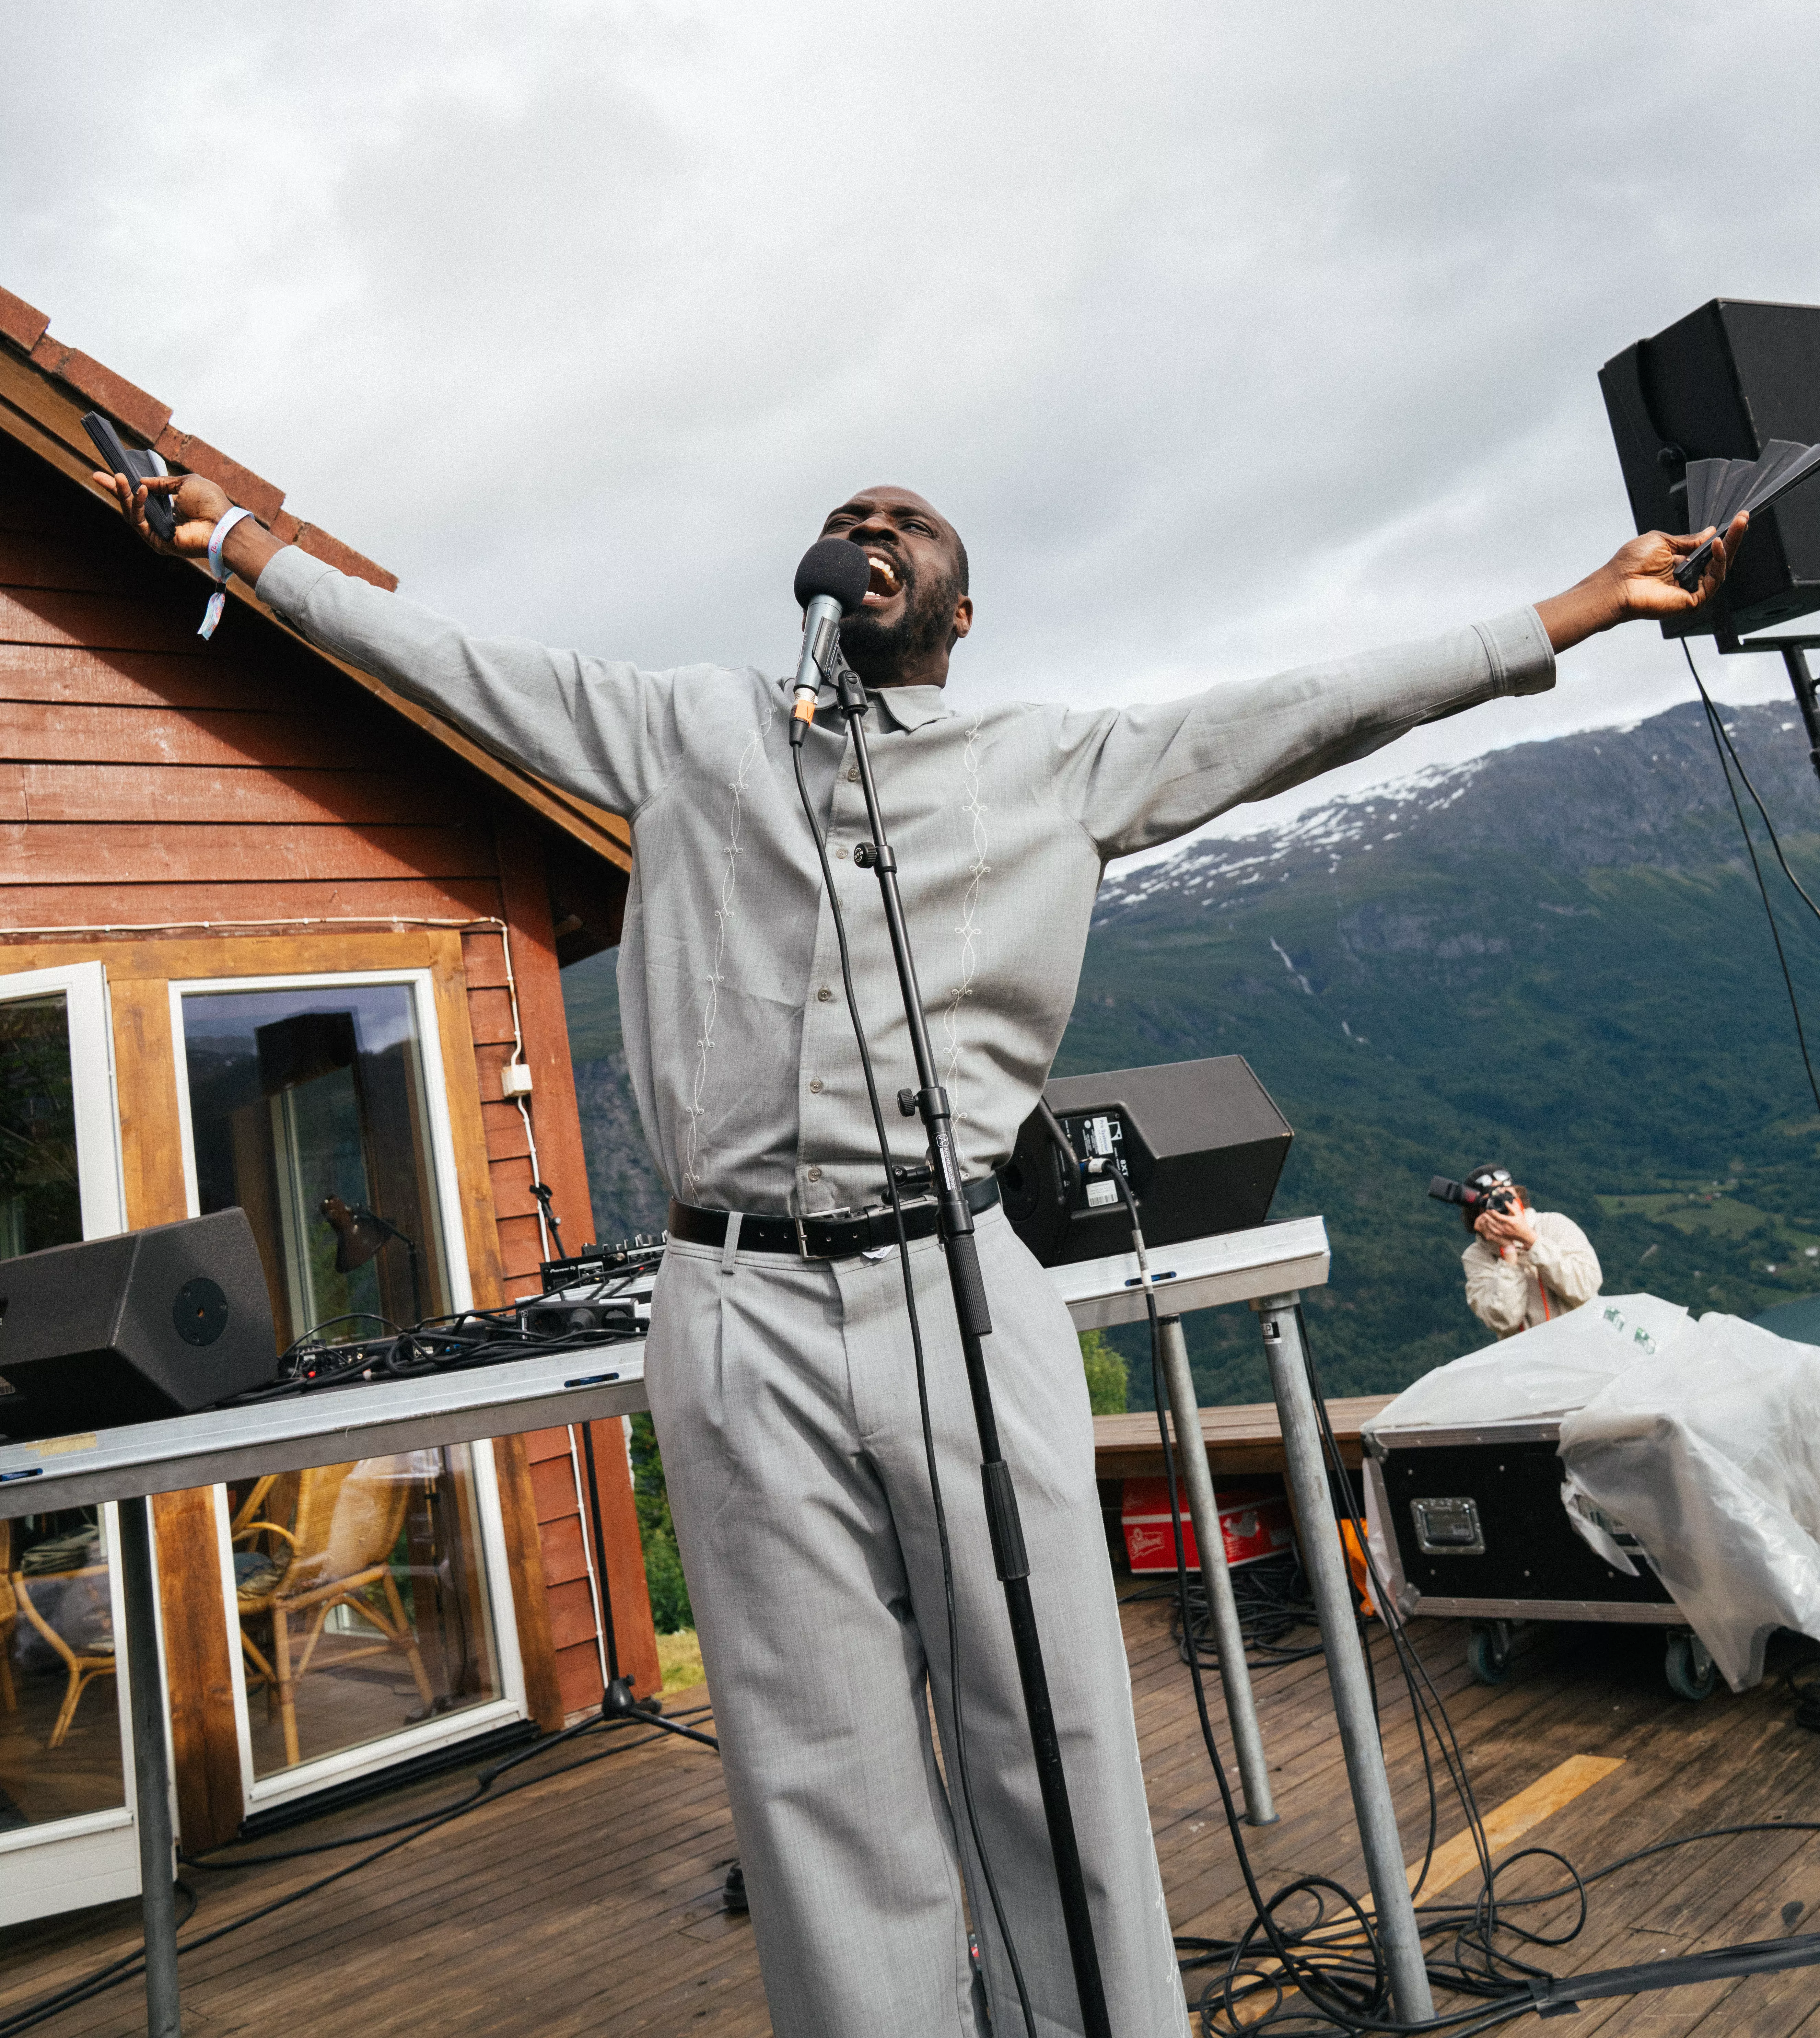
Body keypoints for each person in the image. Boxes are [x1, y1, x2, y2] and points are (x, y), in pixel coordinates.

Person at [96, 456, 1745, 2038]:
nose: (871, 524)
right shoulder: (686, 730)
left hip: (955, 1286)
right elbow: (450, 660)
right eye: (845, 516)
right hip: (731, 1304)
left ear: (960, 613)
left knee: (1046, 1730)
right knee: (819, 1776)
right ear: (815, 584)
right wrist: (240, 546)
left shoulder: (1055, 759)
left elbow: (1302, 710)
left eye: (911, 521)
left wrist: (1565, 612)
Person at [1458, 1166, 1602, 1337]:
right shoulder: (1477, 1256)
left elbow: (1585, 1288)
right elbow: (1505, 1319)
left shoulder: (1555, 1225)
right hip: (1529, 1359)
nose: (1503, 1206)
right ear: (1478, 1214)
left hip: (1585, 1345)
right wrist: (1509, 1253)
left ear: (1518, 1196)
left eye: (1507, 1197)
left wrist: (1532, 1241)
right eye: (1493, 1202)